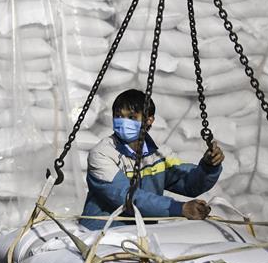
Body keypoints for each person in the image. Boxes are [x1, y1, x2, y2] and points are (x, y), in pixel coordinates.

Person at [79, 89, 225, 230]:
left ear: (149, 120)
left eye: (131, 117)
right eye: (118, 116)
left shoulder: (160, 155)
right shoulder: (103, 153)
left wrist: (209, 166)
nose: (123, 123)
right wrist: (180, 208)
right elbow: (127, 197)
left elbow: (188, 183)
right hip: (102, 233)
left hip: (143, 232)